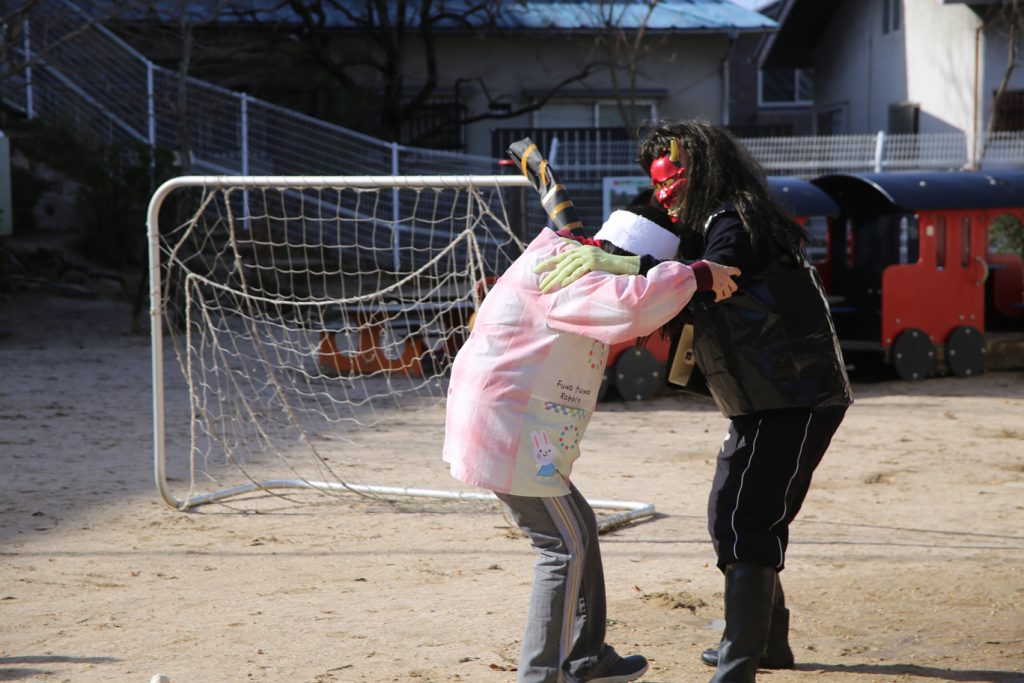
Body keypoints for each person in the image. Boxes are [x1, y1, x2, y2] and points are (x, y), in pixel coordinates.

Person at [538, 118, 853, 683]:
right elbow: (677, 270)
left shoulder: (735, 217)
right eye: (657, 184)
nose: (665, 194)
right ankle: (765, 642)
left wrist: (619, 264)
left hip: (794, 392)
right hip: (765, 396)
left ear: (704, 170)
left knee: (744, 515)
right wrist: (610, 254)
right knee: (741, 512)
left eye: (674, 179)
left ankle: (738, 665)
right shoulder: (712, 221)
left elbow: (714, 271)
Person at [442, 204, 741, 683]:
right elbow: (635, 303)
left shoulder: (570, 260)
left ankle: (586, 657)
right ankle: (543, 675)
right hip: (508, 430)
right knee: (563, 547)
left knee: (578, 527)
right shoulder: (569, 268)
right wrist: (698, 273)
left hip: (514, 429)